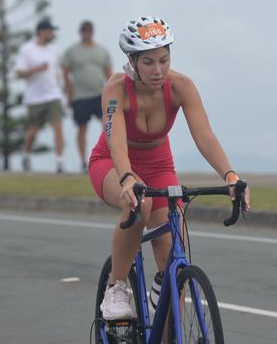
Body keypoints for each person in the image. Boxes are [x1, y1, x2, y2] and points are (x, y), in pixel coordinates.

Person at [88, 16, 251, 319]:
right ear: (131, 61)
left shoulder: (181, 86)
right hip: (112, 162)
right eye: (148, 62)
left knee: (174, 266)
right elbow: (117, 144)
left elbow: (204, 136)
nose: (158, 70)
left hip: (159, 163)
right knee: (140, 202)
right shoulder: (116, 88)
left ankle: (164, 303)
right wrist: (125, 178)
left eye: (164, 60)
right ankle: (117, 286)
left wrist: (230, 176)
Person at [61, 20, 112, 174]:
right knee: (82, 128)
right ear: (80, 32)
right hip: (80, 96)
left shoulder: (102, 51)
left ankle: (110, 157)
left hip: (99, 94)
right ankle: (84, 162)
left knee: (108, 126)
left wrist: (112, 94)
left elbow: (108, 73)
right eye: (84, 30)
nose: (86, 33)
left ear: (92, 32)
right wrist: (69, 94)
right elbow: (65, 73)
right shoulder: (72, 51)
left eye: (88, 30)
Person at [15, 19, 66, 174]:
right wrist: (37, 68)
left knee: (57, 126)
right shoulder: (27, 50)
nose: (52, 34)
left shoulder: (54, 50)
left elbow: (58, 72)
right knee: (33, 131)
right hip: (35, 97)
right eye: (50, 31)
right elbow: (19, 73)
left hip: (53, 95)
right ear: (41, 32)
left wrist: (61, 89)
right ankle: (26, 155)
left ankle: (59, 161)